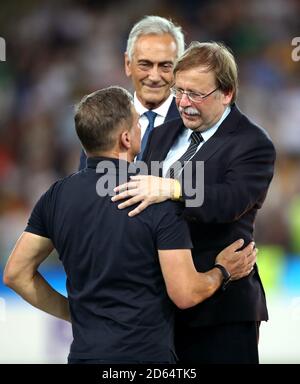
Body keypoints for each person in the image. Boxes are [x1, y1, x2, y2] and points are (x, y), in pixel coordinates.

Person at [3, 86, 256, 364]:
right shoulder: (156, 197)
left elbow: (16, 274)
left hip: (84, 357)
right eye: (137, 123)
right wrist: (222, 271)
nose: (141, 129)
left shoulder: (55, 197)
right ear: (125, 138)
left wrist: (74, 312)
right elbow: (185, 292)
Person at [112, 42, 276, 363]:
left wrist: (171, 187)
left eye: (196, 94)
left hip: (220, 312)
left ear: (226, 93)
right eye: (179, 91)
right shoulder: (160, 135)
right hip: (158, 313)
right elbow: (139, 198)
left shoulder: (253, 143)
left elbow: (229, 201)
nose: (184, 103)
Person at [79, 15, 183, 170]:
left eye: (165, 66)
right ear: (128, 64)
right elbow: (88, 184)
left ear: (180, 68)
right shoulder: (104, 122)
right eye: (145, 65)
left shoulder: (196, 123)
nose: (154, 77)